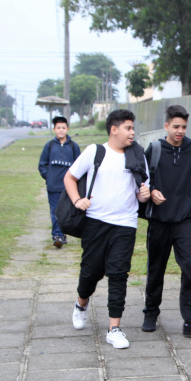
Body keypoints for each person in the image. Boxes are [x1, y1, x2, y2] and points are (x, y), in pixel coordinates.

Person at [64, 109, 150, 350]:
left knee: (119, 273)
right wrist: (77, 200)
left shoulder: (138, 156)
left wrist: (144, 195)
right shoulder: (95, 151)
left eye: (133, 128)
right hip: (95, 222)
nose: (133, 132)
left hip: (125, 224)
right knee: (91, 272)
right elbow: (69, 178)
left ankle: (114, 328)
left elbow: (142, 192)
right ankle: (81, 303)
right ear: (114, 129)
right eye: (128, 128)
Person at [142, 105, 191, 336]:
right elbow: (141, 181)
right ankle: (151, 313)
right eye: (176, 126)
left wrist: (183, 197)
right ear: (166, 126)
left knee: (189, 266)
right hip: (159, 221)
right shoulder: (153, 149)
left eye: (184, 126)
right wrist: (152, 191)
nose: (180, 131)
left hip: (183, 220)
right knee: (156, 269)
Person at [39, 116, 82, 248]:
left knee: (67, 211)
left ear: (67, 129)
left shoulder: (74, 147)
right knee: (55, 211)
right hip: (53, 187)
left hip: (69, 187)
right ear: (54, 129)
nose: (61, 130)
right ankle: (57, 235)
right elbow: (42, 165)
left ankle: (63, 233)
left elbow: (80, 166)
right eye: (58, 128)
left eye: (63, 128)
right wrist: (50, 177)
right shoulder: (49, 146)